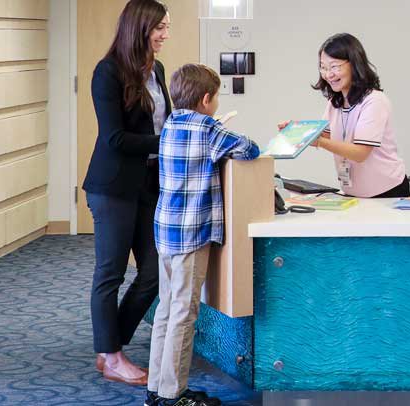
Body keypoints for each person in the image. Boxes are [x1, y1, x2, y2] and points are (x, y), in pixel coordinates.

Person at [146, 64, 260, 406]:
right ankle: (173, 394)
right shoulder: (208, 128)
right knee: (185, 312)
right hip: (192, 236)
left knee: (167, 310)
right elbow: (249, 149)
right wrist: (221, 130)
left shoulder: (171, 125)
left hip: (166, 232)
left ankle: (158, 385)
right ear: (207, 99)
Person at [81, 0, 170, 386]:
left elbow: (161, 118)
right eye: (159, 28)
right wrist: (166, 140)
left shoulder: (158, 69)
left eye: (167, 28)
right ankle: (113, 355)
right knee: (110, 273)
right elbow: (115, 137)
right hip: (113, 186)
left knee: (153, 273)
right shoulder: (108, 72)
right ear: (140, 28)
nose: (165, 35)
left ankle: (110, 344)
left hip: (149, 184)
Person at [280, 33, 410, 198]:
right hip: (353, 192)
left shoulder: (374, 101)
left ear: (354, 64)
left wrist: (318, 141)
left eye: (334, 66)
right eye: (323, 67)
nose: (328, 74)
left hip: (386, 192)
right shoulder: (335, 102)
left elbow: (360, 153)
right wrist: (298, 131)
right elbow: (325, 135)